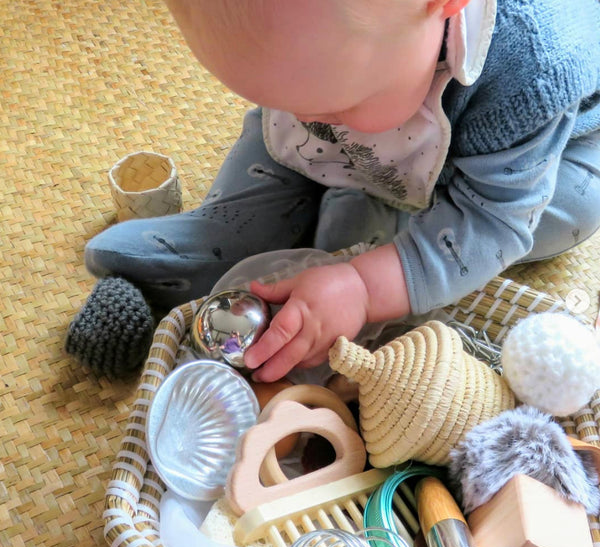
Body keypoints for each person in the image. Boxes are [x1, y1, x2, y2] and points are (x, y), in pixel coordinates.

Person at [84, 0, 600, 383]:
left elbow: (495, 219)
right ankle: (229, 226)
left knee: (570, 205)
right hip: (385, 110)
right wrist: (305, 109)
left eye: (335, 107)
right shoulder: (340, 56)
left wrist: (363, 285)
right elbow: (303, 108)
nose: (308, 120)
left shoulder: (534, 68)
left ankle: (382, 239)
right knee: (286, 132)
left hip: (530, 156)